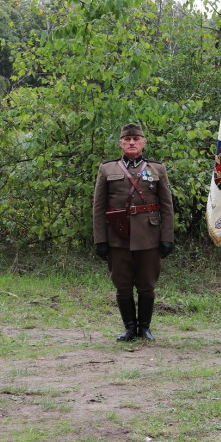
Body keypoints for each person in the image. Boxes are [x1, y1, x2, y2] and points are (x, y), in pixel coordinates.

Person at [92, 124, 175, 341]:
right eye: (127, 139)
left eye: (136, 139)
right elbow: (99, 207)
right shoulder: (107, 169)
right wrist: (100, 240)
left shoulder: (157, 169)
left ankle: (145, 328)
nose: (131, 142)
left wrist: (167, 237)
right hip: (118, 237)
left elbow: (167, 206)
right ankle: (129, 328)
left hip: (149, 236)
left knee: (147, 284)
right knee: (123, 284)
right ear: (120, 143)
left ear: (143, 142)